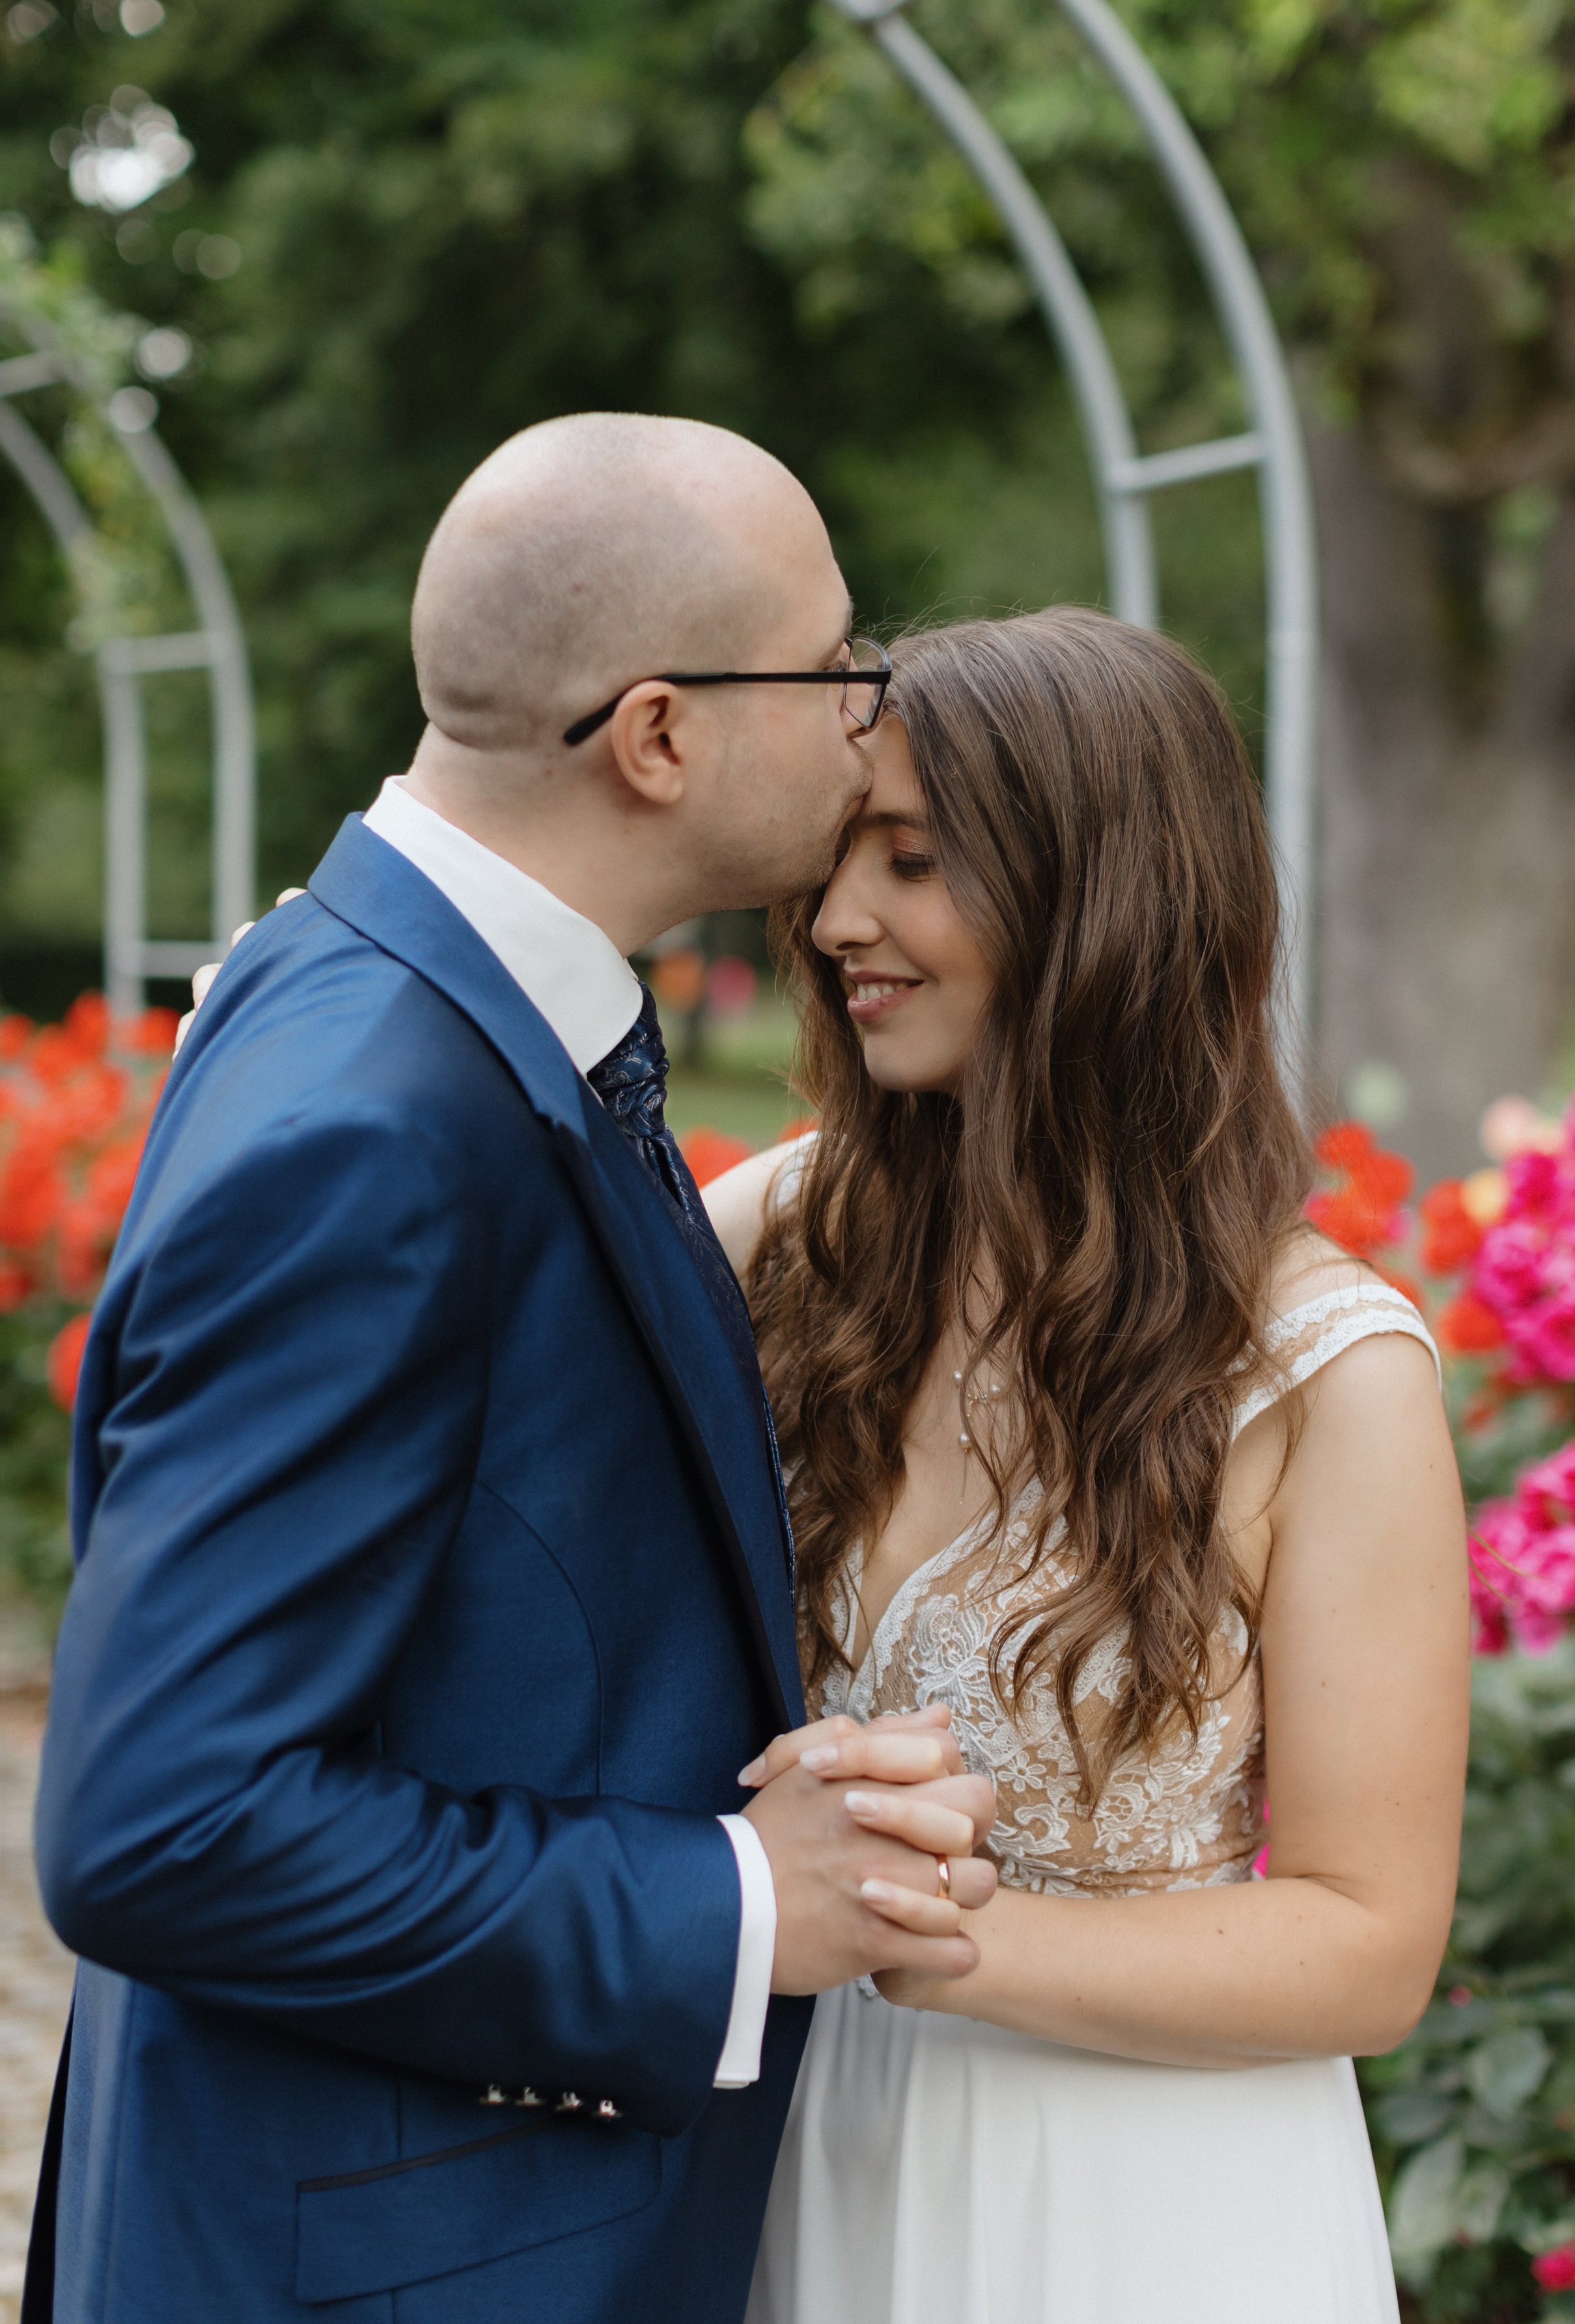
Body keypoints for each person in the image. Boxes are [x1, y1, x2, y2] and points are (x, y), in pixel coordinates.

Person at [25, 414, 998, 2324]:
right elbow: (163, 1821)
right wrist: (735, 1903)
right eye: (832, 664)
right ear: (659, 736)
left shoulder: (395, 1003)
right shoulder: (372, 1119)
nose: (868, 711)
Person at [701, 608, 1472, 2324]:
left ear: (1095, 898)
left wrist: (926, 1933)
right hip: (797, 2162)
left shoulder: (1327, 1374)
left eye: (912, 862)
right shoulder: (785, 1237)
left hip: (1143, 2205)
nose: (836, 922)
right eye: (840, 859)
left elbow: (1369, 1940)